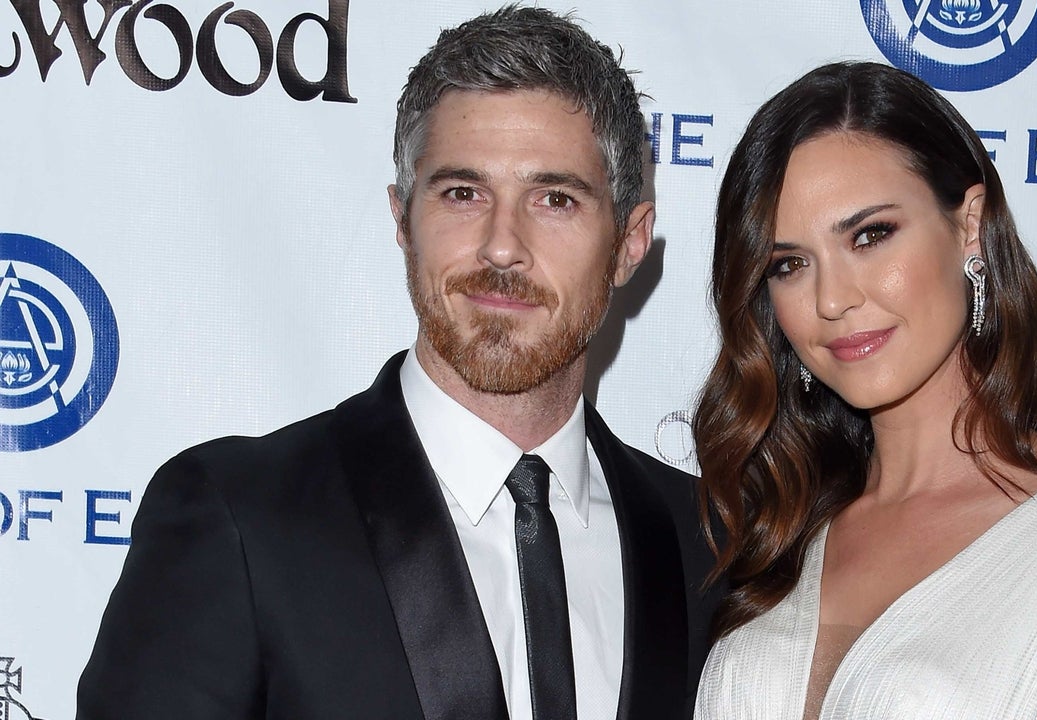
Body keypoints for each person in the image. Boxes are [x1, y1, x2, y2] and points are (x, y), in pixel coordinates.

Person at [77, 6, 718, 719]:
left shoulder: (705, 541)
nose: (502, 246)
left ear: (630, 241)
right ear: (402, 219)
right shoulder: (240, 518)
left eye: (555, 199)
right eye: (463, 193)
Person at [691, 62, 1037, 719]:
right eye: (789, 265)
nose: (832, 299)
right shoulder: (780, 520)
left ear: (970, 225)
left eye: (870, 236)